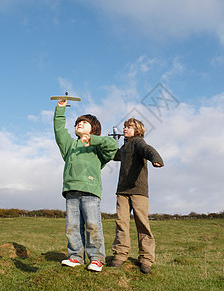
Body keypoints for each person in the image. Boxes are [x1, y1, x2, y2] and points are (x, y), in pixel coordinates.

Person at [54, 99, 118, 272]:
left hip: (91, 191)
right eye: (78, 123)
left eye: (85, 123)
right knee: (72, 226)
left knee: (92, 224)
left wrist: (94, 140)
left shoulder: (97, 147)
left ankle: (96, 259)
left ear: (94, 128)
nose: (79, 124)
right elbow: (59, 132)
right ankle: (75, 257)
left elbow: (113, 146)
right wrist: (60, 110)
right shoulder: (70, 146)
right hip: (71, 191)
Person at [110, 118, 164, 274]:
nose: (125, 129)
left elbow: (148, 150)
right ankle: (120, 255)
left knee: (142, 224)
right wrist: (114, 142)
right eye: (125, 127)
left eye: (129, 127)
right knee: (121, 223)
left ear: (138, 130)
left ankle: (146, 260)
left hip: (138, 191)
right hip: (122, 191)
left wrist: (156, 159)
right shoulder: (125, 146)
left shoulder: (138, 142)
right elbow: (115, 156)